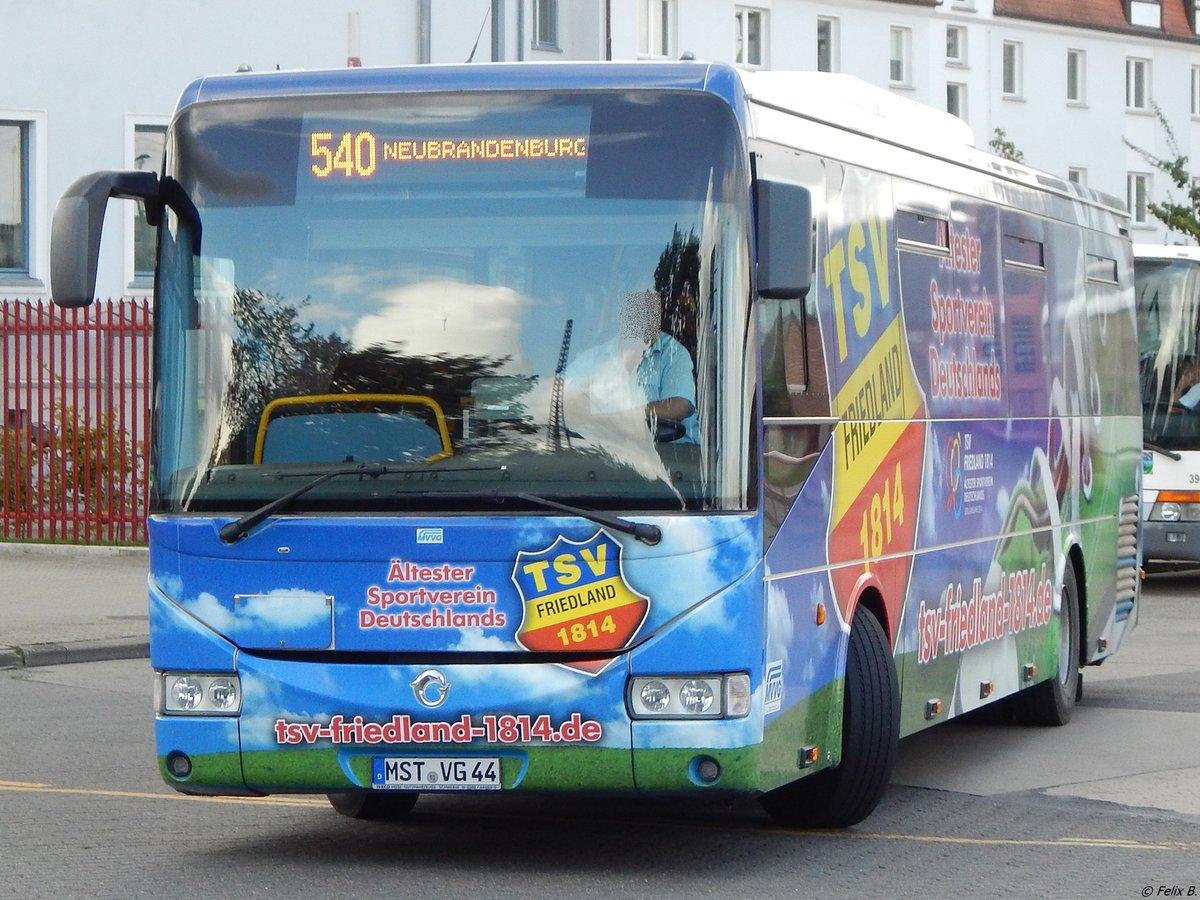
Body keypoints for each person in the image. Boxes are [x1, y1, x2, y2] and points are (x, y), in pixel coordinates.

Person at [566, 290, 699, 444]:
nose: (642, 319)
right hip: (603, 451)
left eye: (649, 312)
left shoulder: (673, 353)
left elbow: (678, 407)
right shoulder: (594, 357)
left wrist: (611, 420)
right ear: (621, 317)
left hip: (671, 453)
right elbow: (560, 396)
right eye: (635, 311)